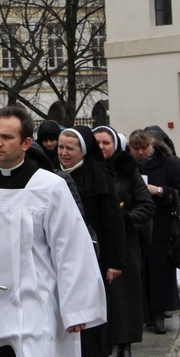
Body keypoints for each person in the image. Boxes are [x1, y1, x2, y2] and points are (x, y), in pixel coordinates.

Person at [0, 106, 106, 356]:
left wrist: (76, 308)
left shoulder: (49, 187)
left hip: (35, 303)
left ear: (26, 143)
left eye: (7, 137)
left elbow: (72, 250)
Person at [58, 126, 126, 357]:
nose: (64, 153)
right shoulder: (52, 176)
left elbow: (113, 223)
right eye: (61, 147)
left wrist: (115, 262)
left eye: (70, 148)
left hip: (96, 258)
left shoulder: (99, 176)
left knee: (91, 315)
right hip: (65, 256)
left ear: (84, 151)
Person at [93, 126, 155, 357]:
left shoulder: (128, 172)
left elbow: (146, 205)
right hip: (95, 244)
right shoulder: (87, 170)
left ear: (115, 145)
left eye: (105, 142)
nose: (101, 146)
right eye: (96, 142)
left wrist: (125, 220)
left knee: (124, 296)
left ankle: (124, 344)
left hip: (125, 244)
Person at [129, 129, 180, 334]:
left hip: (161, 223)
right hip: (136, 223)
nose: (140, 152)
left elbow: (177, 193)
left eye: (144, 148)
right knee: (139, 269)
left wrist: (158, 190)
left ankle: (159, 313)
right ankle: (144, 314)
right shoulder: (127, 165)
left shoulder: (170, 164)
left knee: (159, 270)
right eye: (136, 149)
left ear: (152, 145)